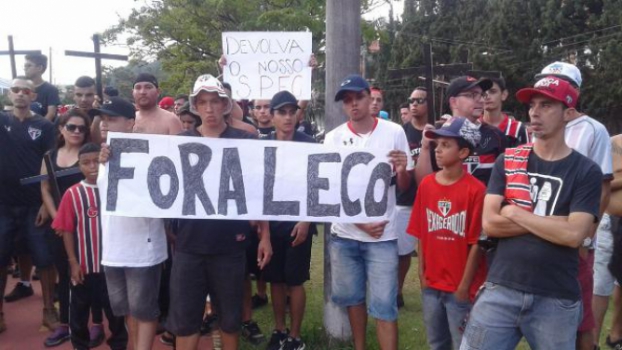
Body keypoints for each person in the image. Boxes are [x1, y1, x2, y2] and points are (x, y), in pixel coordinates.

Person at [460, 75, 602, 349]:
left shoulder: (586, 171)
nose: (535, 112)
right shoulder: (509, 161)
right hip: (501, 287)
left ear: (568, 113)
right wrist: (555, 224)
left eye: (547, 105)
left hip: (555, 297)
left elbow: (574, 236)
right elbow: (490, 223)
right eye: (532, 105)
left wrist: (513, 213)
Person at [166, 74, 272, 350]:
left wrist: (265, 235)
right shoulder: (181, 142)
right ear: (195, 106)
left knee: (230, 320)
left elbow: (258, 190)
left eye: (215, 101)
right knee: (186, 320)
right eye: (203, 102)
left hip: (230, 246)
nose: (209, 108)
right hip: (189, 246)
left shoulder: (244, 140)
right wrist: (112, 156)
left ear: (225, 104)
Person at [324, 74, 413, 350]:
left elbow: (404, 184)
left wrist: (401, 170)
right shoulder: (333, 138)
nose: (353, 105)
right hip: (346, 234)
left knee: (385, 306)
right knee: (353, 299)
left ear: (368, 97)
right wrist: (359, 223)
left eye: (358, 98)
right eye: (347, 101)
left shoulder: (394, 131)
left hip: (382, 235)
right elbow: (328, 190)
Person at [535, 61, 613, 350]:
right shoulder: (537, 127)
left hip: (575, 235)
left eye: (557, 82)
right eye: (545, 81)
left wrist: (586, 237)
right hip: (540, 231)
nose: (549, 87)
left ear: (575, 93)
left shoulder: (593, 130)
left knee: (580, 313)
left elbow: (603, 187)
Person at [94, 96, 169, 350]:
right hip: (114, 248)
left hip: (143, 248)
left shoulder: (151, 153)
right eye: (102, 119)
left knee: (144, 309)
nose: (104, 124)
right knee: (126, 309)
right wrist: (101, 161)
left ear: (130, 123)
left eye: (111, 119)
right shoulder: (104, 156)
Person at [408, 116, 486, 350]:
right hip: (431, 285)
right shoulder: (427, 185)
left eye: (445, 145)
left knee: (464, 343)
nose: (438, 150)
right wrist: (422, 274)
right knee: (436, 342)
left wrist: (464, 286)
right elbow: (422, 233)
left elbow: (477, 244)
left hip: (460, 288)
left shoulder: (476, 190)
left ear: (463, 152)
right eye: (437, 145)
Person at [52, 143, 128, 350]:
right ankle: (80, 344)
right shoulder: (73, 193)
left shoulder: (116, 189)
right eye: (86, 162)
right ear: (80, 166)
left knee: (115, 312)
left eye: (97, 161)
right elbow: (66, 229)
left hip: (111, 266)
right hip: (83, 267)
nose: (92, 166)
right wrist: (73, 262)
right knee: (79, 311)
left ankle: (119, 343)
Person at [0, 76, 56, 333]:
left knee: (44, 260)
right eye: (15, 90)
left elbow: (51, 166)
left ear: (34, 96)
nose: (20, 94)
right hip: (3, 204)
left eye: (26, 90)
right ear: (9, 94)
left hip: (35, 204)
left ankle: (48, 311)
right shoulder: (1, 121)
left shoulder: (44, 126)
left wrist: (47, 204)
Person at [262, 91, 316, 350]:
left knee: (295, 281)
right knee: (276, 280)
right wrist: (264, 232)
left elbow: (316, 186)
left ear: (297, 114)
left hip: (298, 224)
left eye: (291, 112)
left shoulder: (310, 144)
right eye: (281, 112)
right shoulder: (262, 146)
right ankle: (279, 330)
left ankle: (295, 336)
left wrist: (306, 221)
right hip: (272, 224)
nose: (287, 117)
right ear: (271, 117)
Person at [40, 109, 93, 347]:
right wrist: (58, 220)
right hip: (61, 227)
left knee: (91, 275)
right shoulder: (50, 156)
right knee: (64, 274)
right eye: (71, 127)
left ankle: (97, 324)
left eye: (82, 128)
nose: (76, 132)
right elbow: (45, 190)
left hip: (88, 226)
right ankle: (65, 324)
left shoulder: (89, 155)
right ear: (61, 128)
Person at [482, 77, 530, 147]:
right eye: (482, 93)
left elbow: (527, 155)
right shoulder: (471, 127)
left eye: (492, 92)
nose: (487, 96)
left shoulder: (517, 128)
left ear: (504, 94)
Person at [24, 53, 60, 122]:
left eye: (28, 66)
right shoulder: (22, 88)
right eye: (24, 66)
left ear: (39, 68)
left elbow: (51, 113)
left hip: (43, 129)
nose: (25, 69)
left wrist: (39, 127)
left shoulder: (51, 89)